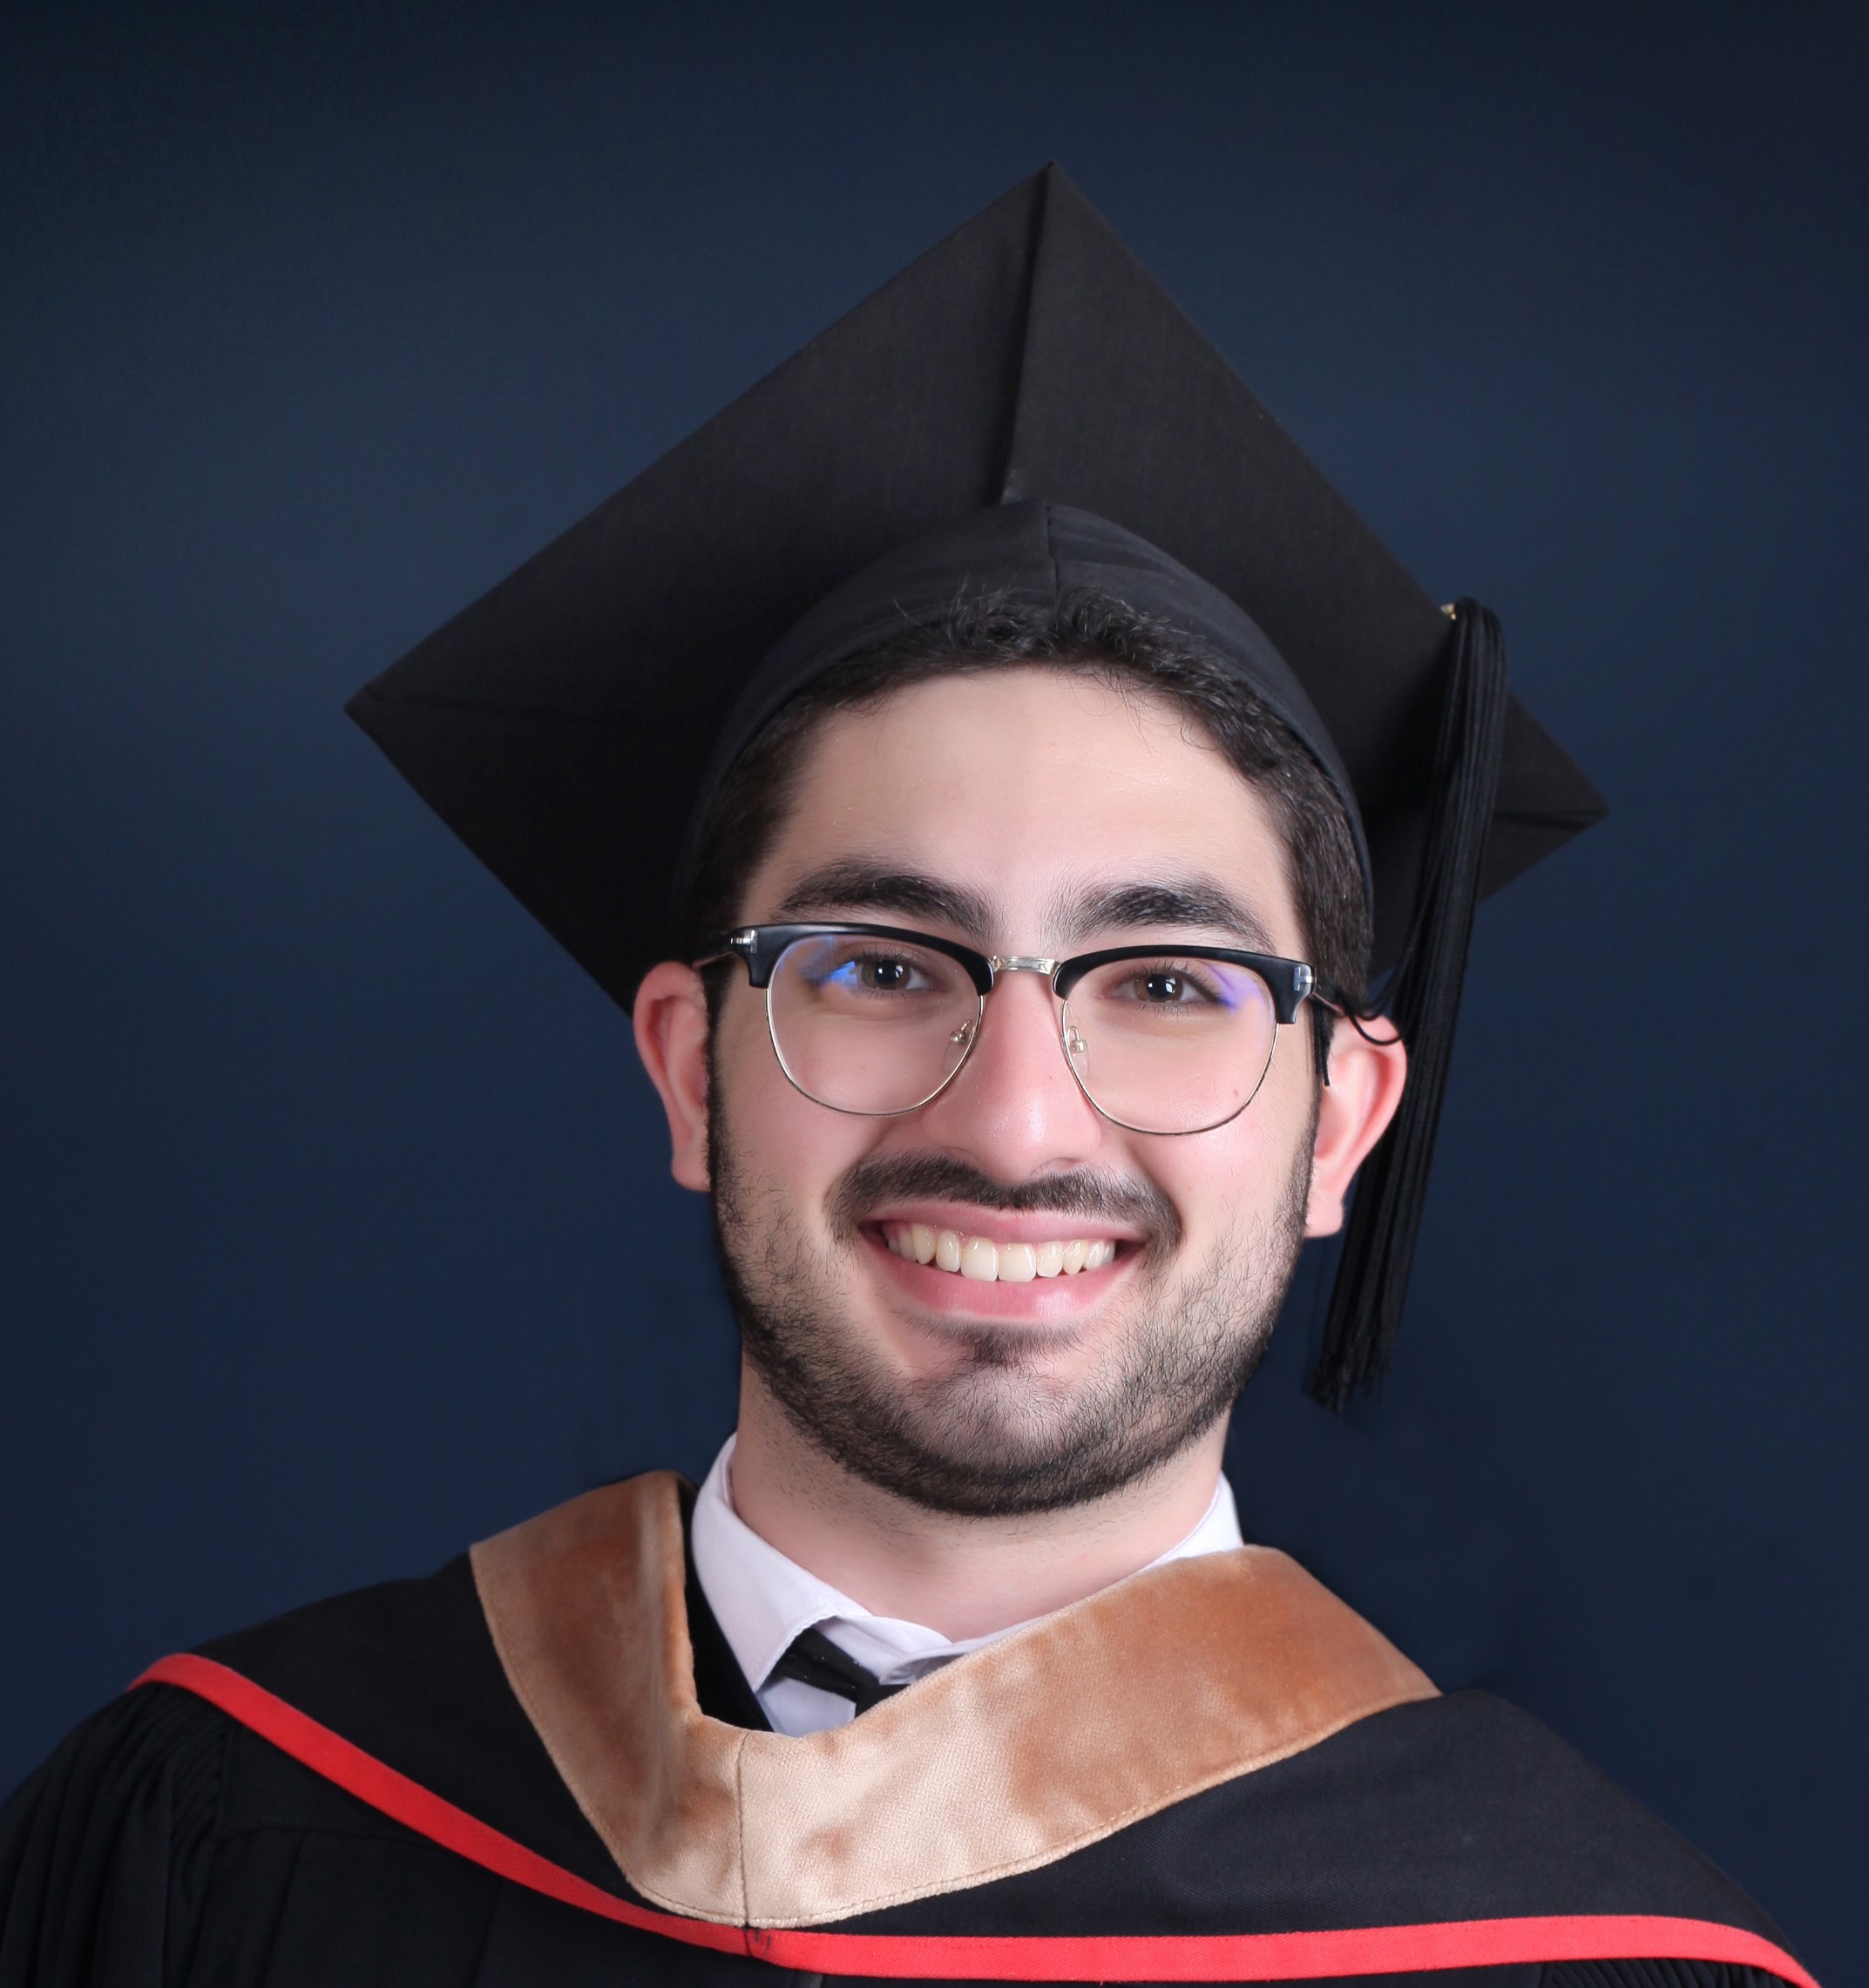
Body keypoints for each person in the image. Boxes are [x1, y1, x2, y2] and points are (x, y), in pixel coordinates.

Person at [0, 166, 1811, 1988]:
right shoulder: (223, 1832)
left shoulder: (1592, 1957)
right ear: (690, 1071)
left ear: (1337, 1122)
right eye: (878, 965)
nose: (1013, 1120)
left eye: (1165, 981)